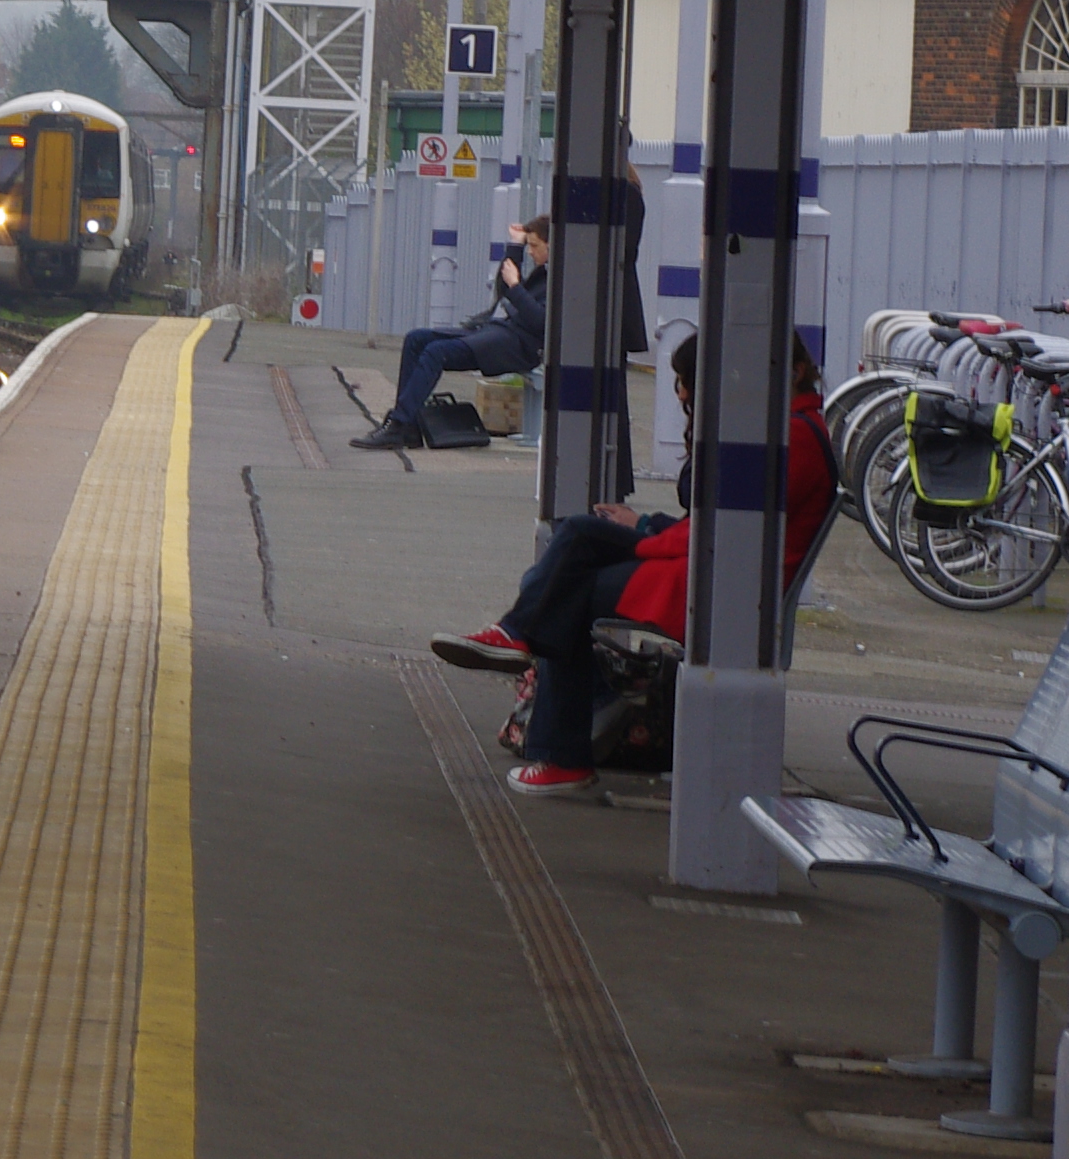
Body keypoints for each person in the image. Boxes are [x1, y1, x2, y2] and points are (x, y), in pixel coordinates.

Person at [428, 331, 835, 797]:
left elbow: (720, 529)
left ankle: (557, 740)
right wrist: (646, 525)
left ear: (794, 373)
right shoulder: (795, 431)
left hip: (716, 583)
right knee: (573, 549)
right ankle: (519, 644)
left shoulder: (791, 440)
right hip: (721, 572)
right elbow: (721, 526)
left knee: (569, 580)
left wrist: (643, 534)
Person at [351, 208, 554, 450]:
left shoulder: (562, 278)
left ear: (552, 246)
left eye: (534, 246)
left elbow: (541, 321)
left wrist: (516, 285)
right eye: (528, 246)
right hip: (500, 333)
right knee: (417, 339)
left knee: (436, 352)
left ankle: (398, 424)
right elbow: (506, 292)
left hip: (519, 346)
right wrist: (514, 247)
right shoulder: (543, 271)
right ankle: (410, 427)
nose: (530, 252)